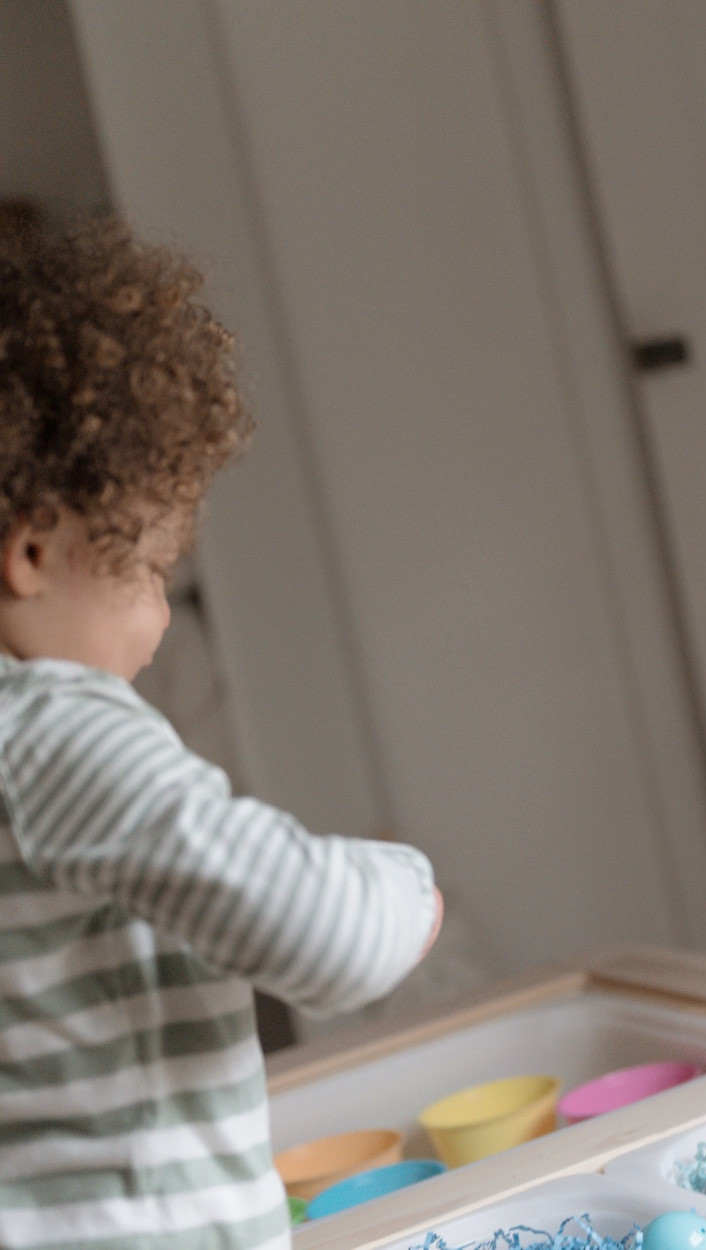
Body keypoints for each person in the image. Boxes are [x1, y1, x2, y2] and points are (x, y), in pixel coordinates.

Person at [0, 215, 442, 1249]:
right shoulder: (54, 735)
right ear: (30, 549)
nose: (157, 622)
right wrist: (408, 891)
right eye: (150, 570)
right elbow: (315, 928)